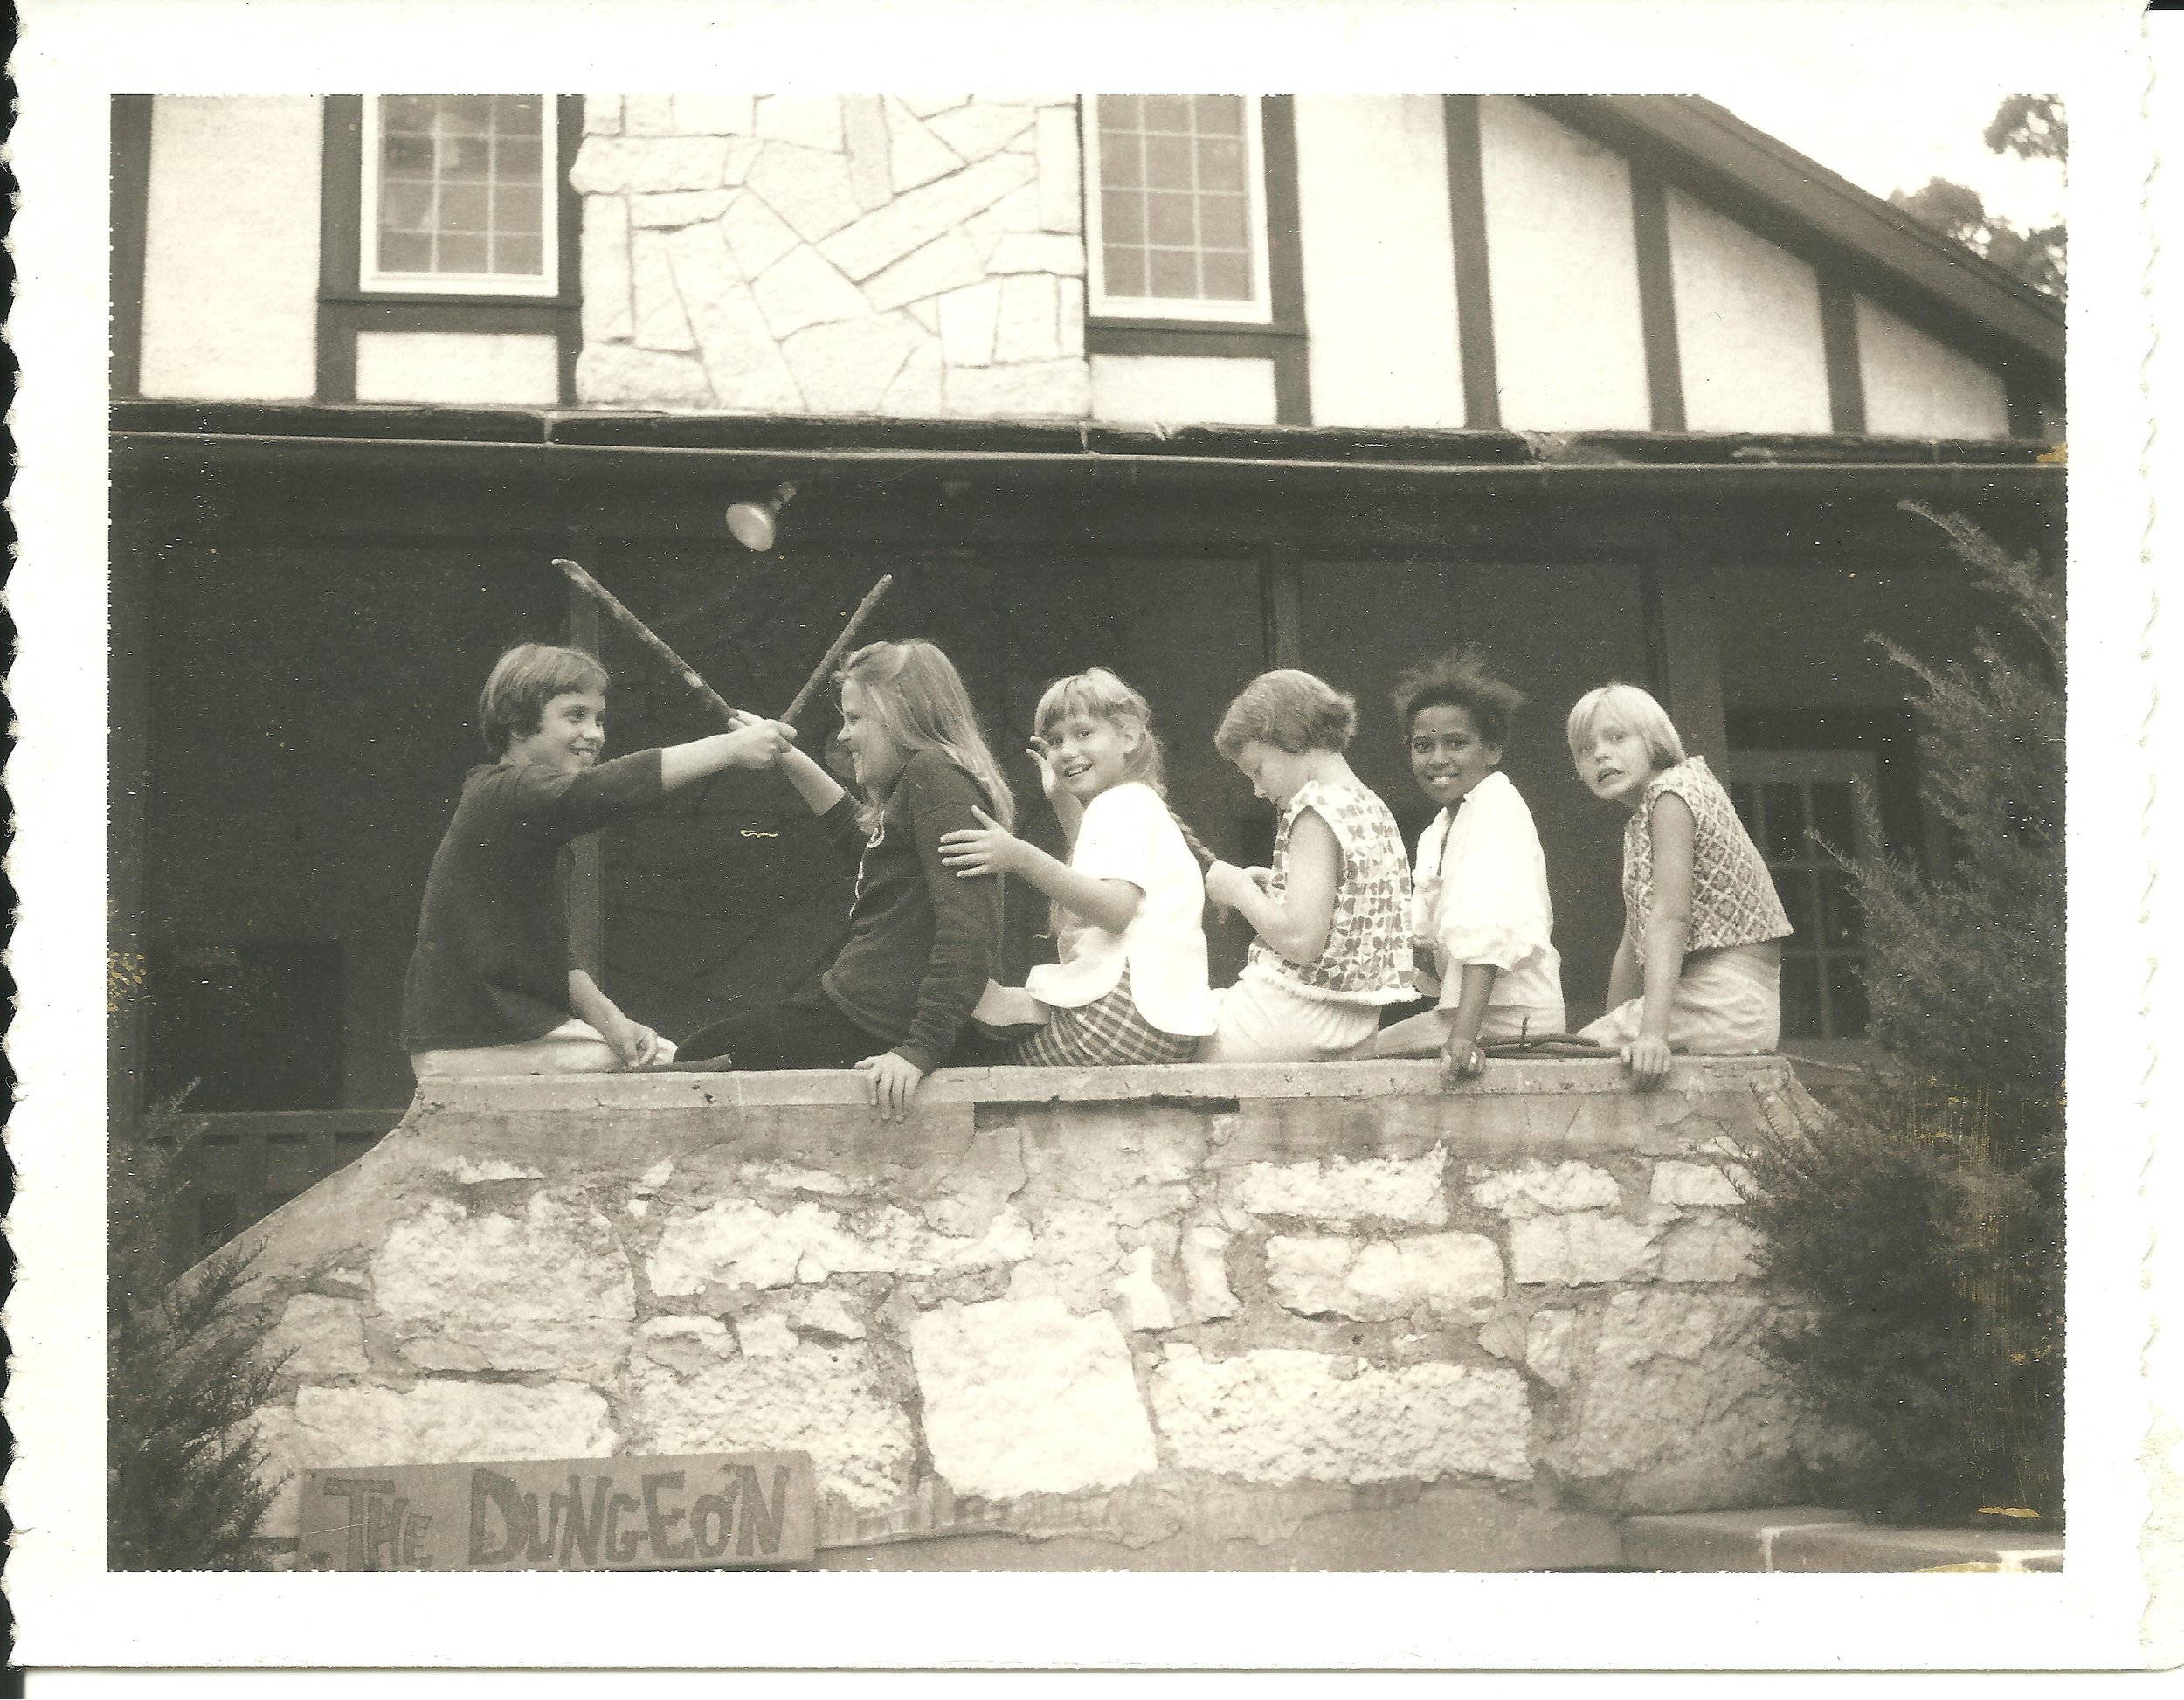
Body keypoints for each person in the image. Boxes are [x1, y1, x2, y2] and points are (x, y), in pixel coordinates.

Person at [402, 643, 791, 1080]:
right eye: (575, 716)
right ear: (517, 721)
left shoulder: (529, 821)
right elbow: (603, 790)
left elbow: (556, 958)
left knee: (671, 1059)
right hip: (473, 1039)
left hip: (502, 1035)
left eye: (599, 719)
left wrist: (613, 1023)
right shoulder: (504, 794)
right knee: (670, 1076)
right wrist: (730, 748)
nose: (594, 734)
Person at [677, 639, 1012, 1120]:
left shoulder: (934, 777)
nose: (844, 735)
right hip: (862, 1014)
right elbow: (865, 842)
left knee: (700, 1058)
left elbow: (969, 929)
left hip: (877, 1027)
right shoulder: (923, 782)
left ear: (900, 716)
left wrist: (920, 1050)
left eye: (855, 719)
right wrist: (789, 757)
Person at [937, 667, 1216, 1066]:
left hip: (1119, 1018)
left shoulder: (1118, 804)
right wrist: (1060, 798)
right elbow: (1094, 870)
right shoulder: (1136, 804)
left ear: (1128, 736)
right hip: (1166, 1027)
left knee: (989, 1068)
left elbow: (1114, 909)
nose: (1067, 750)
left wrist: (1017, 856)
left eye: (1083, 733)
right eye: (1055, 741)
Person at [1566, 681, 1792, 1087]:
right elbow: (1633, 940)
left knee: (1568, 1059)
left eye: (1616, 737)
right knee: (1587, 1050)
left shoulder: (1671, 796)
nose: (1600, 753)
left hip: (1725, 1002)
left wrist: (1651, 1035)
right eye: (1585, 748)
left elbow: (1670, 918)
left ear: (1654, 740)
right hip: (1726, 1006)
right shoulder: (1646, 816)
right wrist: (1615, 1023)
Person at [1197, 669, 1412, 1062]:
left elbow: (1301, 941)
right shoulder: (1371, 806)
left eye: (1258, 770)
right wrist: (1275, 883)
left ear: (1289, 735)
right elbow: (1348, 903)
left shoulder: (1314, 811)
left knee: (1180, 1034)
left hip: (1289, 1017)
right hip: (1352, 1027)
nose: (1258, 790)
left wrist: (1239, 891)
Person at [1374, 648, 1565, 1078]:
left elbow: (1487, 925)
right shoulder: (1438, 830)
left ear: (1492, 750)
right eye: (1423, 746)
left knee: (1359, 1062)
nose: (1438, 759)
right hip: (1472, 1015)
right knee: (1357, 1051)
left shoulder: (1496, 804)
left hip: (1511, 1018)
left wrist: (1463, 1037)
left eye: (1456, 743)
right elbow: (1431, 951)